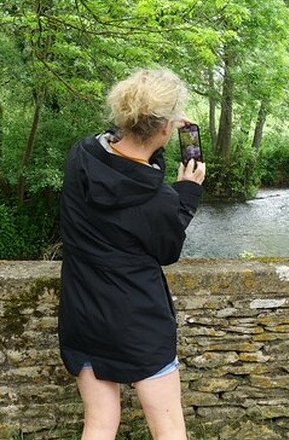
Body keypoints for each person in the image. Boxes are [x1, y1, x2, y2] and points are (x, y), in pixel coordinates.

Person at [57, 68, 206, 440]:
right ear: (165, 128)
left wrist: (155, 138)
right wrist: (187, 193)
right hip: (139, 322)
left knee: (100, 422)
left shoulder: (83, 156)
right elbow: (167, 249)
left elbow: (126, 167)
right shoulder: (160, 200)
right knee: (168, 429)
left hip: (83, 312)